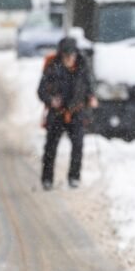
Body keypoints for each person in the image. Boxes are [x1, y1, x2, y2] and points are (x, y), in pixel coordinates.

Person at [37, 37, 95, 190]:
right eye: (66, 55)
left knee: (78, 145)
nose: (69, 58)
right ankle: (47, 179)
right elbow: (41, 91)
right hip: (56, 114)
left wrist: (91, 97)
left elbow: (90, 86)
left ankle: (74, 177)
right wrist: (50, 100)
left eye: (72, 55)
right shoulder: (52, 66)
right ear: (61, 55)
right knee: (50, 147)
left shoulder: (83, 66)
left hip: (76, 112)